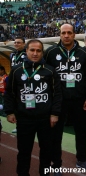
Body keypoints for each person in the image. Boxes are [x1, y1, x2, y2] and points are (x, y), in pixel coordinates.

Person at [4, 39, 62, 176]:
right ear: (26, 51)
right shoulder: (17, 70)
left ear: (42, 52)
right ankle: (23, 173)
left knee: (46, 150)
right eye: (32, 50)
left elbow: (57, 94)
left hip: (45, 119)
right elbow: (9, 92)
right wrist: (9, 111)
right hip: (24, 119)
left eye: (38, 51)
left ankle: (45, 173)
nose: (35, 53)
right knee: (24, 151)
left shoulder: (50, 71)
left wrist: (55, 113)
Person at [44, 23, 86, 174]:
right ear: (60, 34)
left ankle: (82, 159)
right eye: (63, 33)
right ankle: (56, 164)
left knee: (82, 131)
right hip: (59, 101)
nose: (66, 35)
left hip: (79, 100)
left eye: (69, 33)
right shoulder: (51, 52)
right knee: (56, 134)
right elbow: (45, 76)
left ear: (74, 34)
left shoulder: (83, 53)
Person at [10, 36, 27, 133]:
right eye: (15, 42)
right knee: (17, 104)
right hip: (15, 82)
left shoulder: (26, 54)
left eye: (19, 42)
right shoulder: (12, 54)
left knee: (28, 103)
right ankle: (18, 125)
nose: (16, 44)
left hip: (25, 82)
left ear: (24, 44)